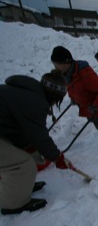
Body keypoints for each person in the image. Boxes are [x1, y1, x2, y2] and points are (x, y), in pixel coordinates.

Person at [0, 73, 74, 215]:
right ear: (55, 97)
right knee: (21, 164)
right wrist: (58, 157)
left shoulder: (29, 93)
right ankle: (14, 204)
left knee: (17, 156)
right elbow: (39, 135)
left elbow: (23, 132)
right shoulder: (34, 103)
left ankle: (20, 187)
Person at [51, 46, 98, 149]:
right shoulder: (66, 73)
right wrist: (73, 98)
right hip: (85, 104)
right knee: (91, 120)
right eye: (54, 64)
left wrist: (95, 105)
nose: (55, 67)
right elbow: (72, 87)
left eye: (57, 64)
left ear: (66, 63)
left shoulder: (85, 75)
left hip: (96, 105)